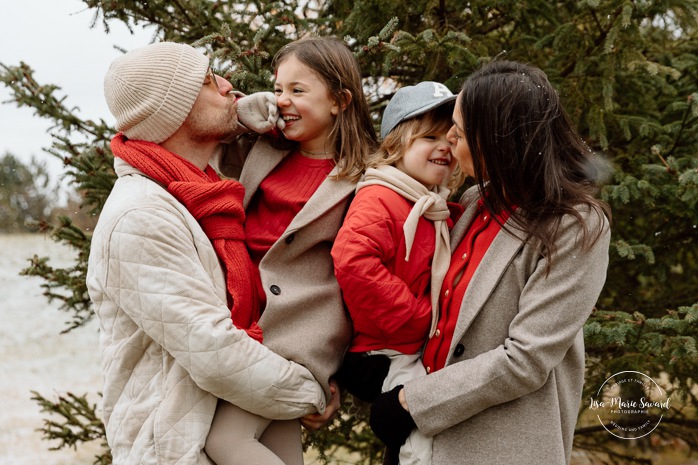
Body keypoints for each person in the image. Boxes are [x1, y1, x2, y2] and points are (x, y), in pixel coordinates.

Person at [87, 41, 328, 465]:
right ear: (174, 111)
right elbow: (216, 352)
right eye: (206, 81)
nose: (227, 85)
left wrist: (260, 121)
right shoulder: (141, 216)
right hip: (179, 450)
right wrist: (308, 390)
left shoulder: (201, 192)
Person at [369, 60, 612, 465]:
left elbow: (526, 360)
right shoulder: (471, 203)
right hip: (419, 445)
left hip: (497, 446)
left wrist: (411, 402)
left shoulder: (576, 226)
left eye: (460, 132)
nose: (448, 137)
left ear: (498, 142)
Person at [204, 36, 378, 465]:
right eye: (279, 89)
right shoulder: (261, 151)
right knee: (275, 449)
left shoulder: (369, 176)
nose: (283, 101)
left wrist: (335, 367)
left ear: (340, 100)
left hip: (300, 334)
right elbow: (209, 129)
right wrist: (248, 110)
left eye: (298, 91)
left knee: (224, 443)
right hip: (245, 320)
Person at [331, 81, 463, 465]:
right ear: (395, 144)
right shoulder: (381, 196)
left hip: (404, 346)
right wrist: (419, 319)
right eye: (430, 136)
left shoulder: (430, 205)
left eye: (451, 138)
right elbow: (353, 260)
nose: (444, 146)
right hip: (383, 349)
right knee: (421, 441)